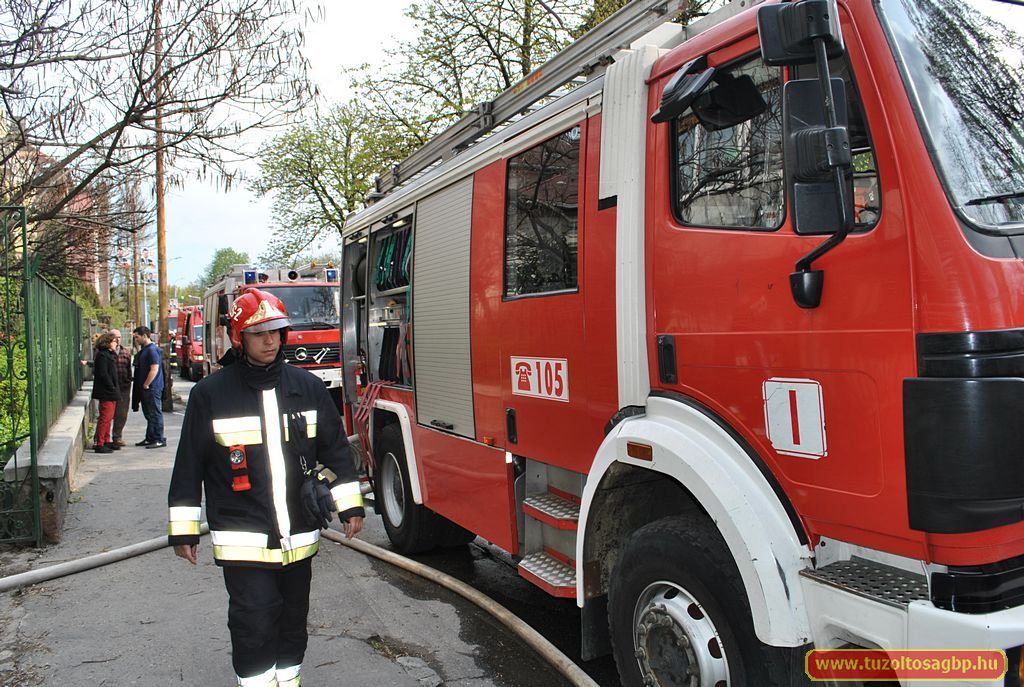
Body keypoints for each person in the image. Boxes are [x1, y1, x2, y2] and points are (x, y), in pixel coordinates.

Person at [167, 289, 364, 687]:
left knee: (292, 621)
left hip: (299, 534)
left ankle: (288, 680)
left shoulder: (307, 387)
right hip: (242, 536)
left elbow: (336, 451)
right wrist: (183, 530)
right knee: (253, 621)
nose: (270, 341)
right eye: (259, 333)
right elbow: (189, 465)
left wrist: (351, 506)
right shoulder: (210, 395)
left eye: (276, 331)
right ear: (239, 338)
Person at [131, 326, 166, 448]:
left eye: (137, 337)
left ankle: (158, 438)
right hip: (148, 387)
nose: (136, 340)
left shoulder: (152, 350)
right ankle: (150, 437)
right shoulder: (146, 350)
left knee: (155, 413)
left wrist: (146, 383)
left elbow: (154, 368)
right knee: (149, 414)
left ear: (144, 336)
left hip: (152, 387)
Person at [91, 332, 121, 454]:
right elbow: (103, 374)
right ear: (107, 343)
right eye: (114, 341)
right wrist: (111, 386)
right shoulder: (102, 355)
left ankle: (106, 440)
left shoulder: (110, 355)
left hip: (111, 391)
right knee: (105, 417)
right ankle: (100, 442)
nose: (116, 344)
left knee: (109, 418)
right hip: (106, 391)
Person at [110, 329, 133, 447]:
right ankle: (101, 438)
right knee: (107, 414)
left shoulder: (125, 352)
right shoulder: (105, 352)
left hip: (123, 386)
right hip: (110, 387)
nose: (118, 339)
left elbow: (129, 369)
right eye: (115, 337)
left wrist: (129, 381)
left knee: (122, 413)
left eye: (119, 337)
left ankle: (117, 436)